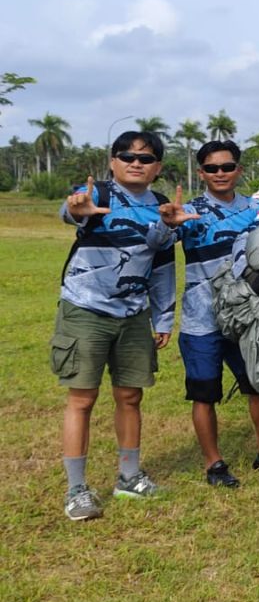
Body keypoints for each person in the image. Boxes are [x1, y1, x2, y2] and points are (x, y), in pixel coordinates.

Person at [53, 131, 175, 520]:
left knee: (130, 397)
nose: (135, 162)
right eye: (127, 156)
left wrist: (164, 315)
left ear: (157, 168)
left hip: (134, 314)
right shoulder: (97, 195)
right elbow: (70, 210)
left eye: (146, 158)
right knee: (82, 399)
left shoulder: (160, 205)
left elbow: (163, 265)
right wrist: (77, 209)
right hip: (85, 308)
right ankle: (76, 490)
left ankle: (129, 476)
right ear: (112, 161)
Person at [157, 140, 259, 486]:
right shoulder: (189, 212)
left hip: (247, 315)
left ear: (239, 170)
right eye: (212, 168)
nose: (220, 173)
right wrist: (168, 225)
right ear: (201, 172)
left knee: (258, 385)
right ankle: (214, 464)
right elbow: (160, 244)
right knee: (204, 392)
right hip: (201, 318)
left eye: (227, 167)